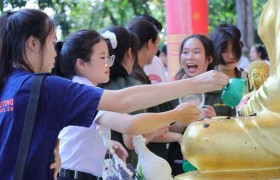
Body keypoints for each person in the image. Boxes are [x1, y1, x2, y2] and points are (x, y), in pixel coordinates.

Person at [0, 9, 229, 180]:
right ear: (32, 44)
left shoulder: (8, 84)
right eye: (51, 42)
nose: (54, 53)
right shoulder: (46, 86)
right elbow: (123, 102)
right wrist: (194, 85)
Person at [168, 34, 217, 176]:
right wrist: (181, 121)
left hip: (213, 163)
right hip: (178, 164)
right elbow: (160, 131)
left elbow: (233, 131)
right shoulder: (170, 92)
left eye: (196, 52)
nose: (189, 57)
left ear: (209, 58)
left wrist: (215, 122)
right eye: (185, 52)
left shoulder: (221, 92)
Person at [205, 23, 248, 117]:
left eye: (234, 49)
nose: (231, 56)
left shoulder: (249, 79)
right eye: (225, 51)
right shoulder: (206, 81)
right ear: (215, 50)